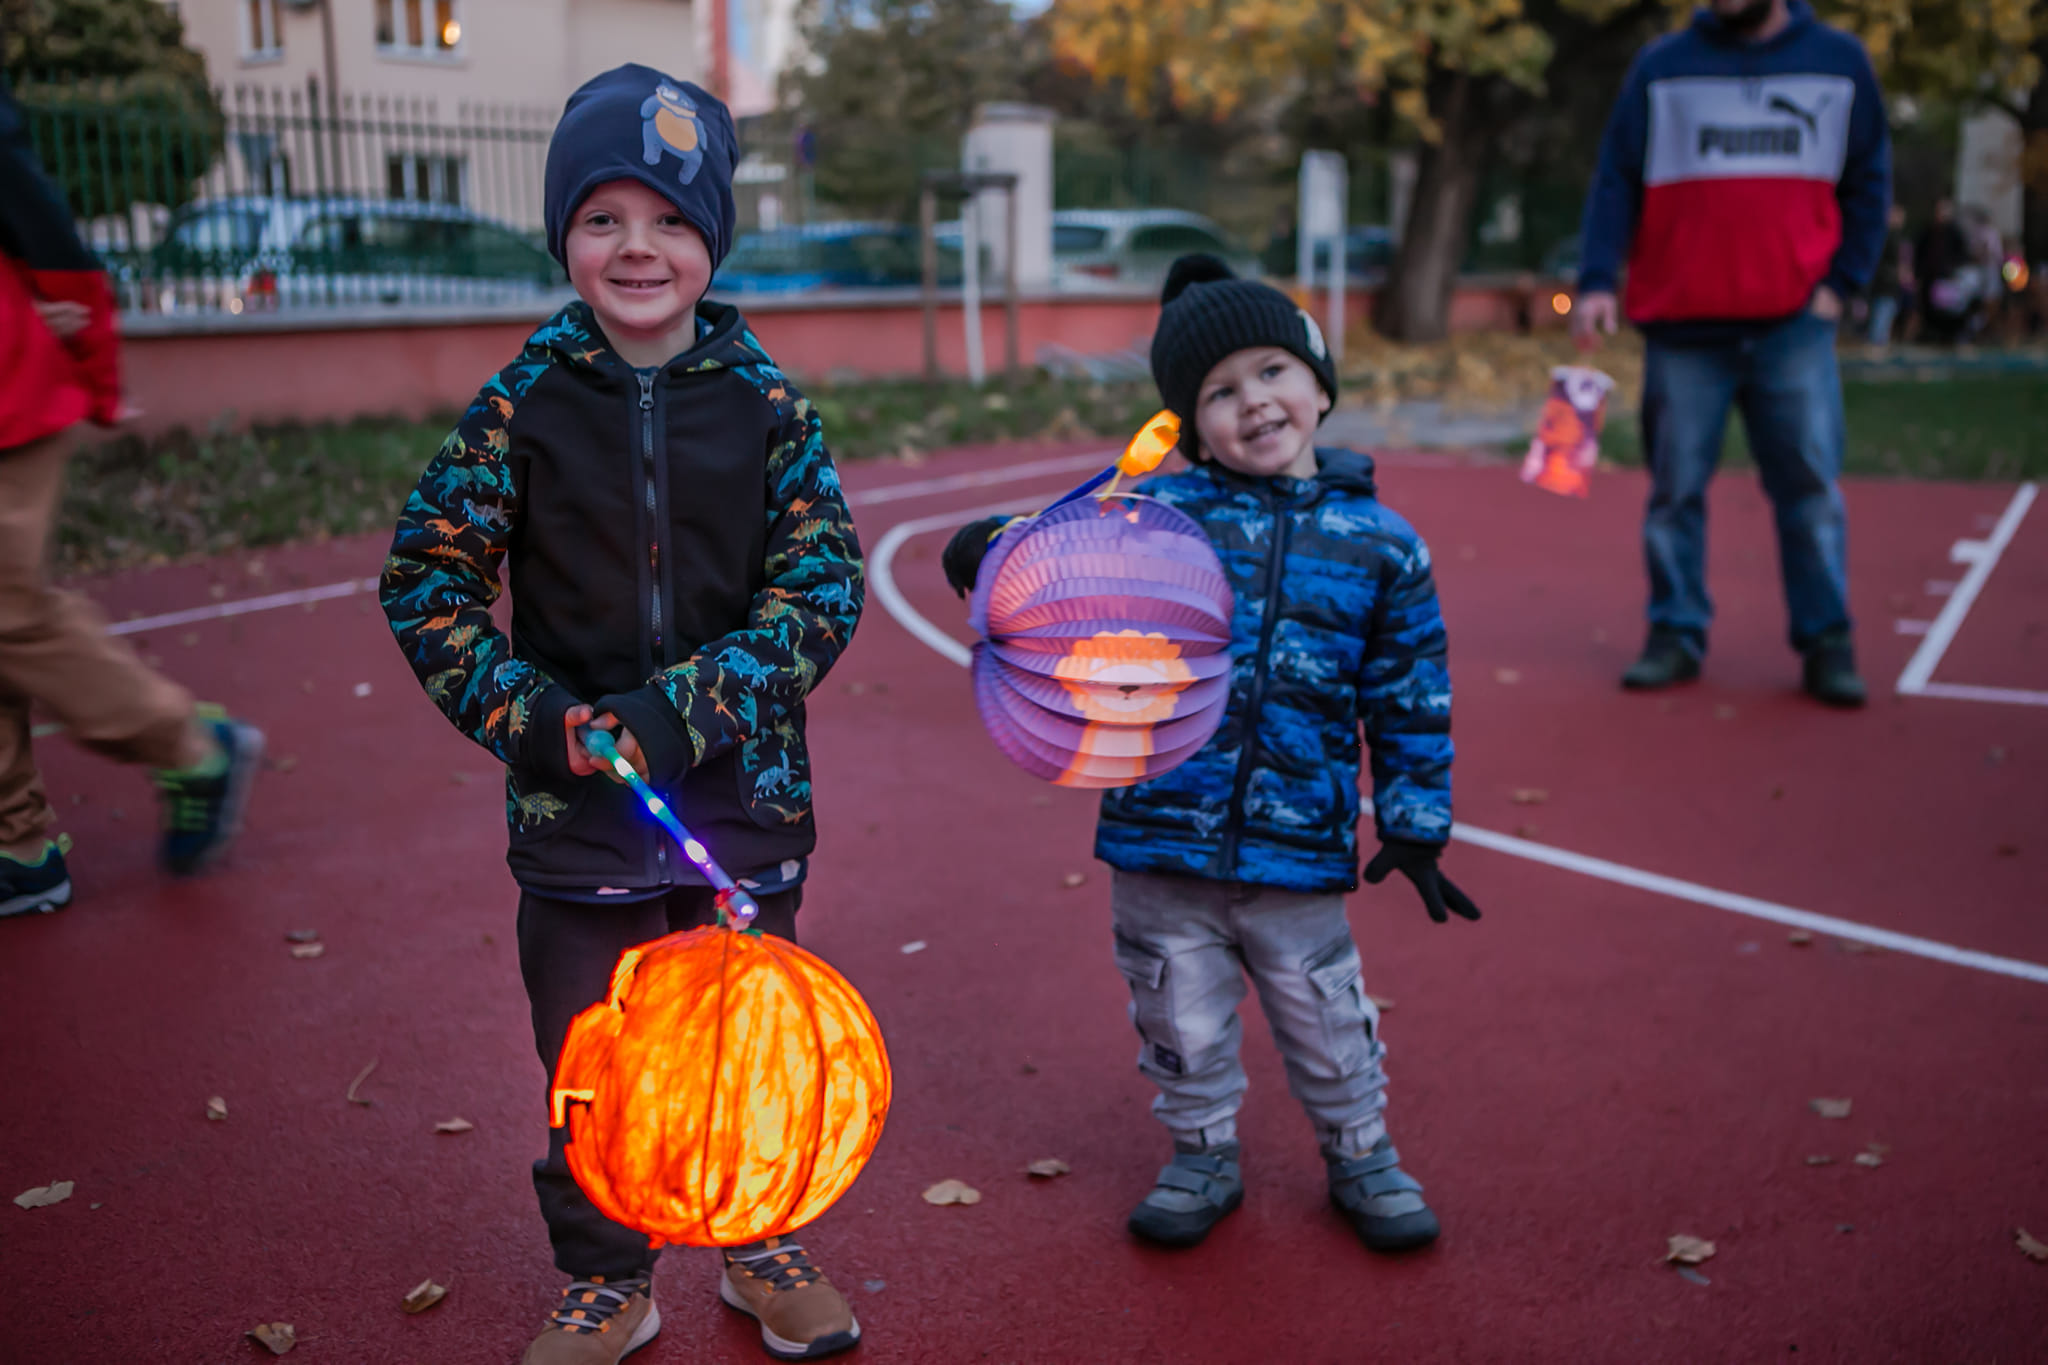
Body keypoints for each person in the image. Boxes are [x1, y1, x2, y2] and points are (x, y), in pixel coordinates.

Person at [379, 66, 865, 1365]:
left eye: (671, 221)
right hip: (577, 826)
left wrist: (683, 713)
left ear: (713, 243)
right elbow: (424, 579)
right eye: (603, 218)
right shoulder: (520, 405)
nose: (637, 248)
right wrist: (537, 720)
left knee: (747, 1051)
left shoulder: (768, 408)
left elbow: (822, 592)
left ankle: (759, 1246)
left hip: (742, 818)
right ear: (563, 239)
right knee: (596, 1067)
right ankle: (610, 1276)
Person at [944, 254, 1482, 1256]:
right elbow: (1057, 563)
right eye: (1219, 392)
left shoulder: (1382, 546)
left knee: (1325, 1018)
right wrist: (989, 547)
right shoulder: (1160, 522)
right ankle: (1200, 1154)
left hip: (1296, 850)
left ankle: (1358, 1153)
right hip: (1158, 839)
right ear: (1191, 426)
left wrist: (1414, 824)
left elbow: (1409, 694)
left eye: (1272, 372)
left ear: (1319, 381)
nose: (1254, 402)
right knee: (1176, 1020)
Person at [1573, 0, 1890, 708]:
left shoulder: (1839, 63)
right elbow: (1615, 180)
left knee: (1809, 490)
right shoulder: (1660, 67)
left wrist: (1844, 283)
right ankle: (1675, 632)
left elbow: (1870, 180)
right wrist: (1597, 279)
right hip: (1683, 325)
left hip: (1794, 326)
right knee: (1673, 492)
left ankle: (1827, 640)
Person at [0, 74, 265, 919]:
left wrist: (98, 367)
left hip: (7, 384)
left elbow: (27, 202)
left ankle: (187, 744)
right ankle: (18, 844)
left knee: (5, 606)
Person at [1914, 197, 1973, 345]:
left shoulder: (1954, 232)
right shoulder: (1928, 231)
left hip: (1947, 277)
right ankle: (1932, 334)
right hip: (1930, 276)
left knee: (1948, 308)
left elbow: (1962, 253)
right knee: (1929, 308)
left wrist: (1952, 267)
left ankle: (1950, 335)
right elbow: (1920, 252)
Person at [1867, 203, 1912, 345]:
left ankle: (1878, 344)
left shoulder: (1889, 235)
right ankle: (1876, 346)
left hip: (1887, 284)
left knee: (1884, 315)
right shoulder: (1888, 236)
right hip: (1886, 284)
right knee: (1882, 316)